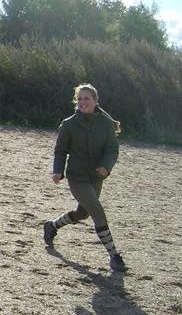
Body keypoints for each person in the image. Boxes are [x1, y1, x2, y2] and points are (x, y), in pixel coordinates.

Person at [43, 83, 127, 272]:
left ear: (95, 101)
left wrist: (106, 166)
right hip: (77, 177)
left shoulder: (105, 124)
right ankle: (114, 256)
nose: (82, 102)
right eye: (79, 98)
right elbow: (61, 151)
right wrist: (58, 170)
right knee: (97, 211)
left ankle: (52, 226)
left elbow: (112, 149)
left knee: (83, 213)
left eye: (86, 98)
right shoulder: (69, 124)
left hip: (96, 177)